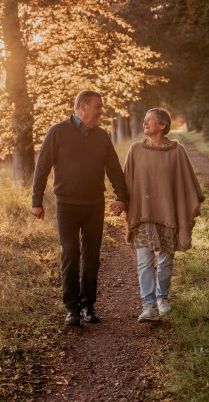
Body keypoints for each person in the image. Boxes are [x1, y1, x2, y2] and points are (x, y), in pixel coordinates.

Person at [31, 90, 127, 327]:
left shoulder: (102, 136)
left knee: (92, 256)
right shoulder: (57, 132)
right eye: (97, 107)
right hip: (67, 205)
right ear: (82, 107)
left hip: (95, 204)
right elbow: (42, 167)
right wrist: (37, 201)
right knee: (71, 253)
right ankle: (72, 308)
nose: (100, 111)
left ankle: (88, 306)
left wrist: (122, 196)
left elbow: (113, 168)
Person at [123, 108, 205, 323]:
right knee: (144, 261)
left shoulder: (177, 152)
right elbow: (125, 182)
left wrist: (188, 207)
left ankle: (162, 297)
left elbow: (186, 184)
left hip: (168, 214)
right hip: (143, 215)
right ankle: (148, 305)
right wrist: (120, 200)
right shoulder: (135, 150)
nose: (145, 122)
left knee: (166, 260)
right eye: (144, 119)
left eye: (149, 119)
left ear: (162, 125)